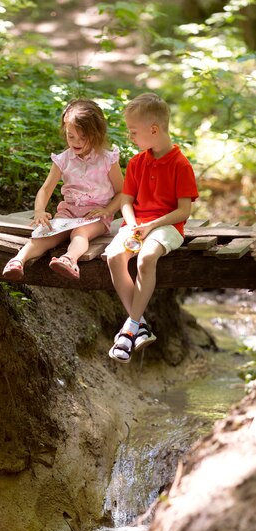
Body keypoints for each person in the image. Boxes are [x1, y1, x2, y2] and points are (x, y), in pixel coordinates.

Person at [106, 92, 199, 363]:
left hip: (166, 227)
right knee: (114, 256)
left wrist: (151, 225)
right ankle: (140, 325)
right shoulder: (136, 162)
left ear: (154, 129)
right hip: (136, 225)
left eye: (134, 131)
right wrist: (134, 224)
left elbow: (184, 211)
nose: (130, 137)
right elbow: (126, 201)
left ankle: (129, 327)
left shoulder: (181, 165)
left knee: (146, 258)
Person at [2, 98, 123, 281]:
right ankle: (18, 260)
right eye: (71, 136)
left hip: (95, 215)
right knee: (46, 233)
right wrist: (39, 211)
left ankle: (69, 260)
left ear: (96, 134)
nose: (76, 142)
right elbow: (45, 189)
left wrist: (108, 210)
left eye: (83, 137)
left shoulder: (107, 159)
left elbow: (123, 192)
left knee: (79, 233)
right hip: (68, 212)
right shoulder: (63, 159)